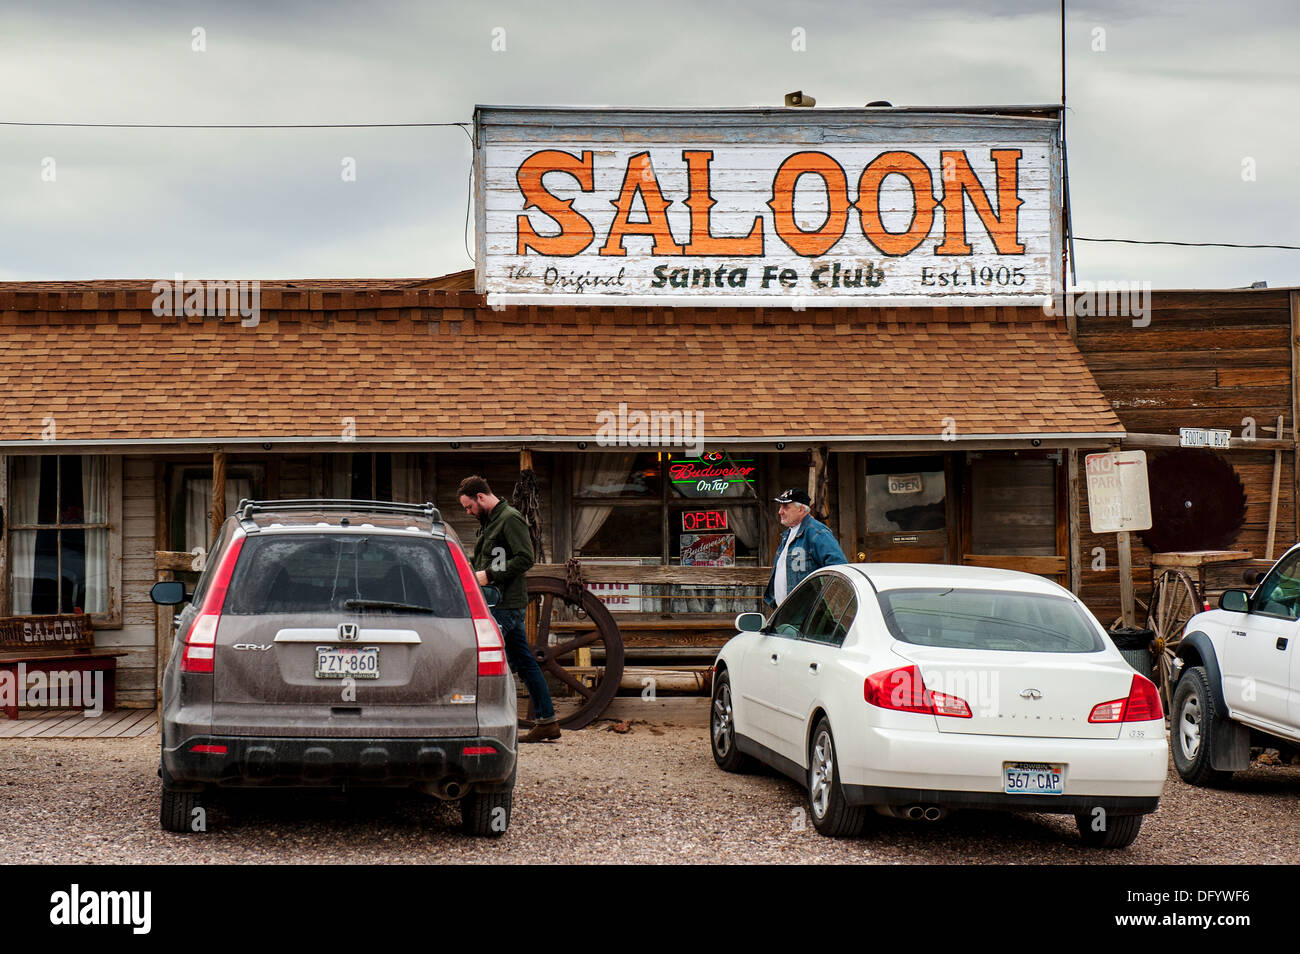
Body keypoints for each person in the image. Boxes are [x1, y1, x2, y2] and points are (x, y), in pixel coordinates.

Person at [457, 475, 559, 743]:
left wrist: (489, 575)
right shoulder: (490, 521)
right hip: (498, 602)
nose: (467, 512)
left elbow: (525, 557)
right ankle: (547, 721)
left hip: (504, 604)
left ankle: (481, 723)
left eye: (469, 506)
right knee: (524, 663)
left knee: (485, 661)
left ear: (480, 497)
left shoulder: (510, 518)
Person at [763, 488, 847, 608]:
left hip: (806, 614)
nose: (780, 512)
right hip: (786, 611)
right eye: (780, 507)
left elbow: (839, 569)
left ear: (801, 509)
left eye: (786, 507)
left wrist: (823, 603)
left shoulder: (817, 532)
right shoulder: (788, 534)